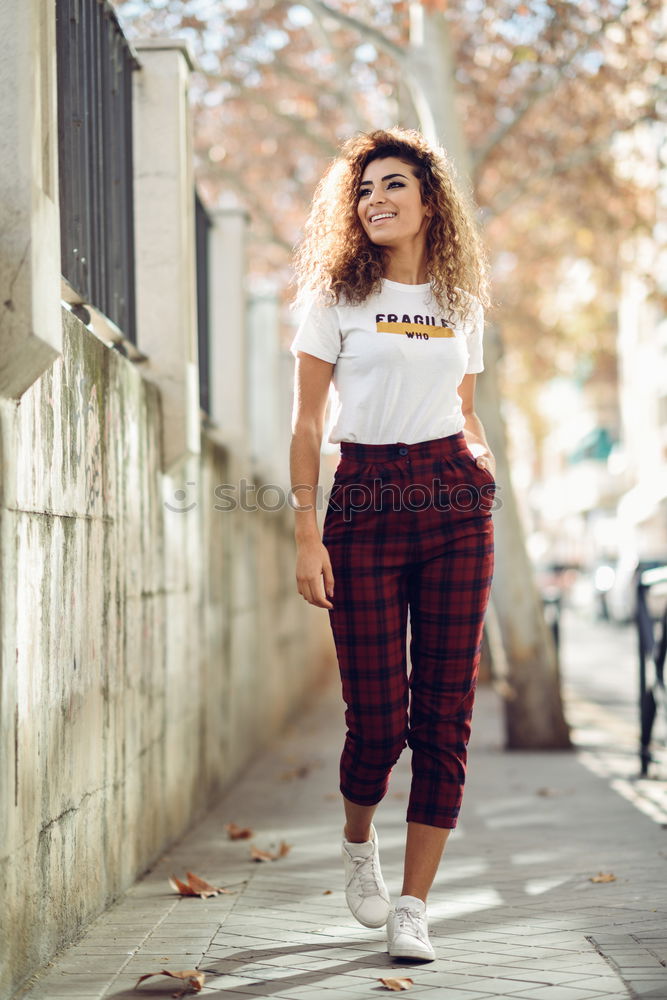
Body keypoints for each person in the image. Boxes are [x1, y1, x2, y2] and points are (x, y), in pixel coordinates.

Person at [288, 127, 496, 963]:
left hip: (454, 501)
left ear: (428, 201)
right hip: (365, 499)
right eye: (364, 189)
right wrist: (306, 530)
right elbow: (306, 424)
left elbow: (464, 404)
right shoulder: (335, 299)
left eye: (392, 186)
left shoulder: (461, 303)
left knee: (443, 717)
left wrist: (481, 466)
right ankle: (356, 841)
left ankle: (414, 906)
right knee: (377, 723)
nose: (375, 199)